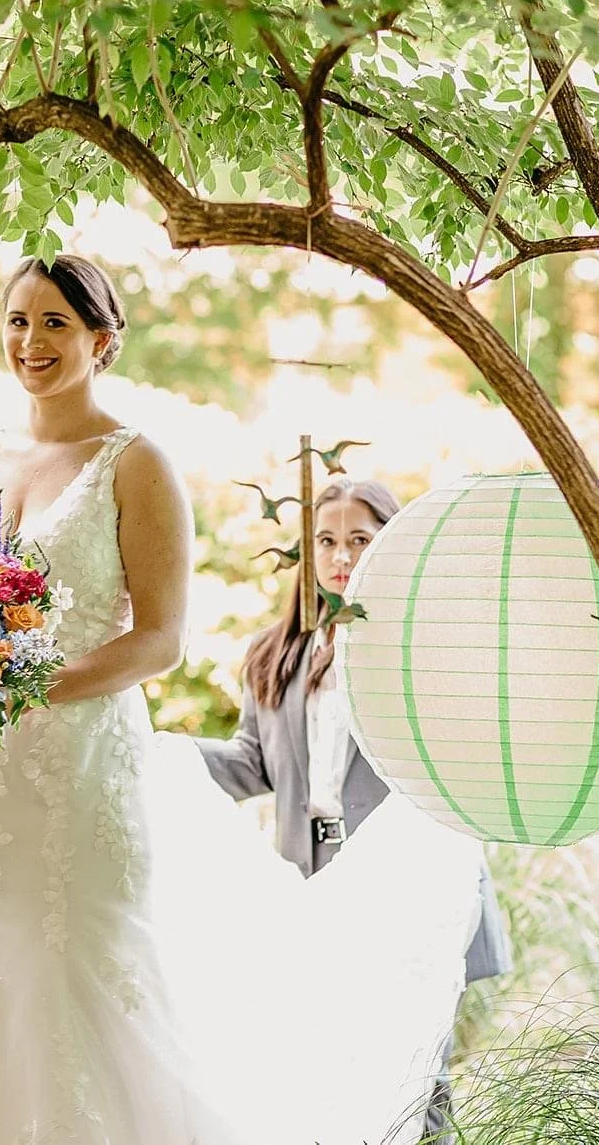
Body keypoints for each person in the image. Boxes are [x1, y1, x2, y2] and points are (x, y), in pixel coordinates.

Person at [0, 254, 487, 1145]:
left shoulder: (135, 465)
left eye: (55, 322)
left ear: (103, 339)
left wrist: (19, 690)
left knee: (73, 972)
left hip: (83, 772)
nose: (32, 341)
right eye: (18, 320)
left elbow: (160, 639)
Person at [193, 477, 514, 1141]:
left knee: (414, 1069)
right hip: (311, 883)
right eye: (327, 542)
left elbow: (462, 755)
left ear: (390, 546)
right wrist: (145, 753)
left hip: (403, 883)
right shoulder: (273, 653)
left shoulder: (418, 651)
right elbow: (251, 763)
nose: (341, 557)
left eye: (360, 541)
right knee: (324, 1070)